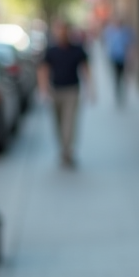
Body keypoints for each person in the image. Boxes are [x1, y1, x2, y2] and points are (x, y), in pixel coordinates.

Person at [38, 22, 93, 168]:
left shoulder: (77, 50)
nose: (61, 34)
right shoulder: (51, 50)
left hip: (72, 91)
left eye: (64, 31)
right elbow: (43, 69)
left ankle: (67, 151)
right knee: (58, 123)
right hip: (55, 91)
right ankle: (63, 149)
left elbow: (85, 68)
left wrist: (90, 89)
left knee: (69, 123)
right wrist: (43, 90)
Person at [101, 17, 135, 106]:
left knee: (124, 76)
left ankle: (123, 92)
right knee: (116, 77)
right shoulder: (110, 31)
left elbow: (130, 45)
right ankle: (118, 93)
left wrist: (130, 57)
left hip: (123, 58)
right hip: (114, 58)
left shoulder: (125, 32)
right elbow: (107, 44)